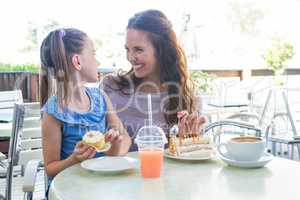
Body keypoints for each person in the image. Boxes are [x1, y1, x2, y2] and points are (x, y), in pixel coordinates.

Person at [101, 9, 206, 151]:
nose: (131, 57)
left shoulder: (187, 97)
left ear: (161, 50)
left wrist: (187, 142)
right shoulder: (110, 87)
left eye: (138, 49)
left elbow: (195, 153)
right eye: (128, 49)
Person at [40, 28, 131, 181]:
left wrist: (114, 147)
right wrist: (74, 159)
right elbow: (50, 169)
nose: (98, 61)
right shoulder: (53, 112)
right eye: (93, 54)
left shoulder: (100, 98)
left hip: (101, 184)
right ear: (77, 61)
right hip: (70, 188)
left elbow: (125, 139)